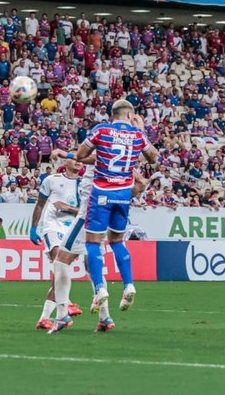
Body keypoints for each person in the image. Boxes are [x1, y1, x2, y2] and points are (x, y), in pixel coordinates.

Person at [62, 100, 157, 334]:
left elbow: (81, 155)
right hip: (124, 195)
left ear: (112, 114)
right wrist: (141, 131)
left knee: (93, 243)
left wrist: (70, 153)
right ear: (131, 114)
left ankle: (100, 290)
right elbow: (153, 157)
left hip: (102, 192)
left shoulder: (101, 130)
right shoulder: (136, 134)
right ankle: (129, 285)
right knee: (117, 241)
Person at [29, 157, 84, 331]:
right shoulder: (51, 180)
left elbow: (86, 212)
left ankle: (44, 318)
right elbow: (39, 205)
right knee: (59, 261)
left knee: (61, 272)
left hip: (72, 230)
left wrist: (68, 208)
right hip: (52, 226)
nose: (78, 162)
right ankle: (66, 303)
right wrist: (33, 228)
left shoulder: (85, 185)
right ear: (65, 162)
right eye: (73, 159)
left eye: (80, 160)